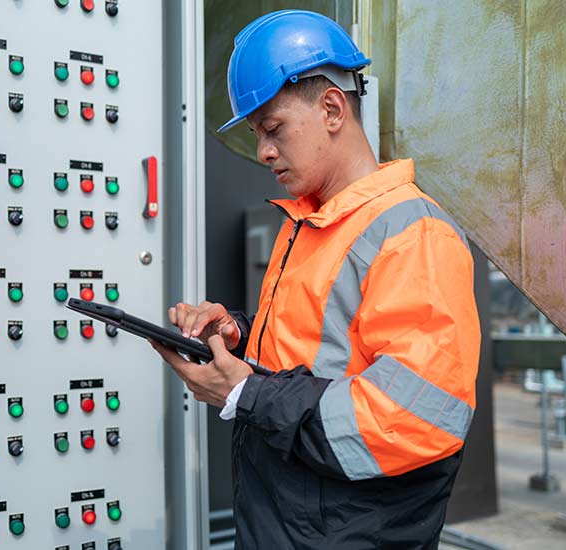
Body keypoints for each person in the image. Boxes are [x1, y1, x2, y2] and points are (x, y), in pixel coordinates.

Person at [150, 9, 480, 549]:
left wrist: (245, 393)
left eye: (274, 128)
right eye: (257, 134)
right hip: (284, 522)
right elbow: (319, 356)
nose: (263, 152)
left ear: (332, 107)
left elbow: (413, 419)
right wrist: (237, 334)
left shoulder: (414, 234)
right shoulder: (312, 221)